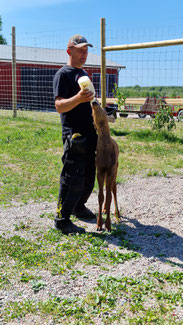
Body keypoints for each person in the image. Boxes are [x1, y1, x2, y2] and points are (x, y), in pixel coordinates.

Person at [53, 34, 97, 235]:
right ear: (69, 51)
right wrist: (78, 98)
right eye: (80, 50)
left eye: (86, 50)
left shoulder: (84, 74)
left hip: (90, 131)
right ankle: (62, 219)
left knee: (89, 174)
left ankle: (79, 206)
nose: (84, 54)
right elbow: (59, 106)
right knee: (72, 176)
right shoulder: (63, 74)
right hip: (74, 134)